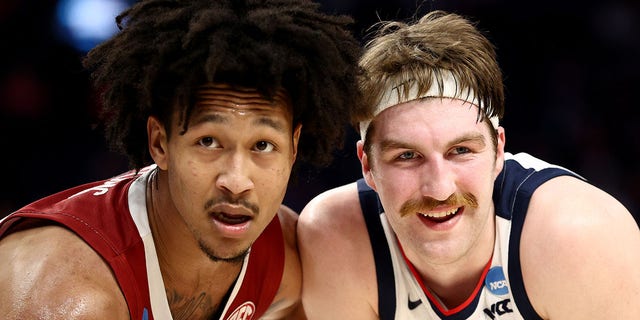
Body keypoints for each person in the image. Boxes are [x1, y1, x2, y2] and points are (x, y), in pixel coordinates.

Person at [0, 0, 361, 319]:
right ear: (159, 144)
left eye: (263, 146)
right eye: (208, 142)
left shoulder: (284, 257)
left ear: (293, 147)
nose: (236, 181)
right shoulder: (65, 299)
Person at [297, 10, 640, 320]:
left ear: (498, 153)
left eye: (460, 151)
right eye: (406, 156)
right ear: (367, 165)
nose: (440, 189)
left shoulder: (580, 240)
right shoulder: (334, 239)